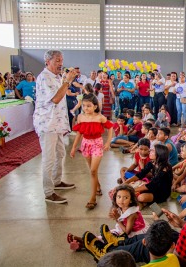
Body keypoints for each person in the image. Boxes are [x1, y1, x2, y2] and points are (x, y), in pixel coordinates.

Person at [33, 50, 77, 204]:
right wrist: (68, 81)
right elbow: (56, 98)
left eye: (62, 60)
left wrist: (65, 81)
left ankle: (57, 182)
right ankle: (48, 192)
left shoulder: (57, 77)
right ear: (48, 62)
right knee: (49, 158)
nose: (61, 63)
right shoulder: (44, 77)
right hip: (47, 124)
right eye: (57, 60)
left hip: (57, 124)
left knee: (60, 153)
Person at [67, 185, 148, 252]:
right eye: (119, 197)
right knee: (107, 236)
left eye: (125, 198)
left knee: (110, 241)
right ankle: (83, 242)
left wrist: (117, 219)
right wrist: (116, 215)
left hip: (134, 236)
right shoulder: (122, 207)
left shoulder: (132, 214)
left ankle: (83, 243)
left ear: (130, 200)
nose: (121, 200)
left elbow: (127, 232)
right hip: (122, 231)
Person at [70, 94, 113, 209]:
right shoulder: (80, 117)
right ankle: (98, 186)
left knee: (93, 170)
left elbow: (110, 128)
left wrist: (108, 142)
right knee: (92, 170)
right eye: (84, 106)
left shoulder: (100, 117)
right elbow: (79, 133)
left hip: (97, 144)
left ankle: (92, 199)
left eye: (88, 106)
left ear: (95, 106)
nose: (86, 108)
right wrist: (74, 147)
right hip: (85, 144)